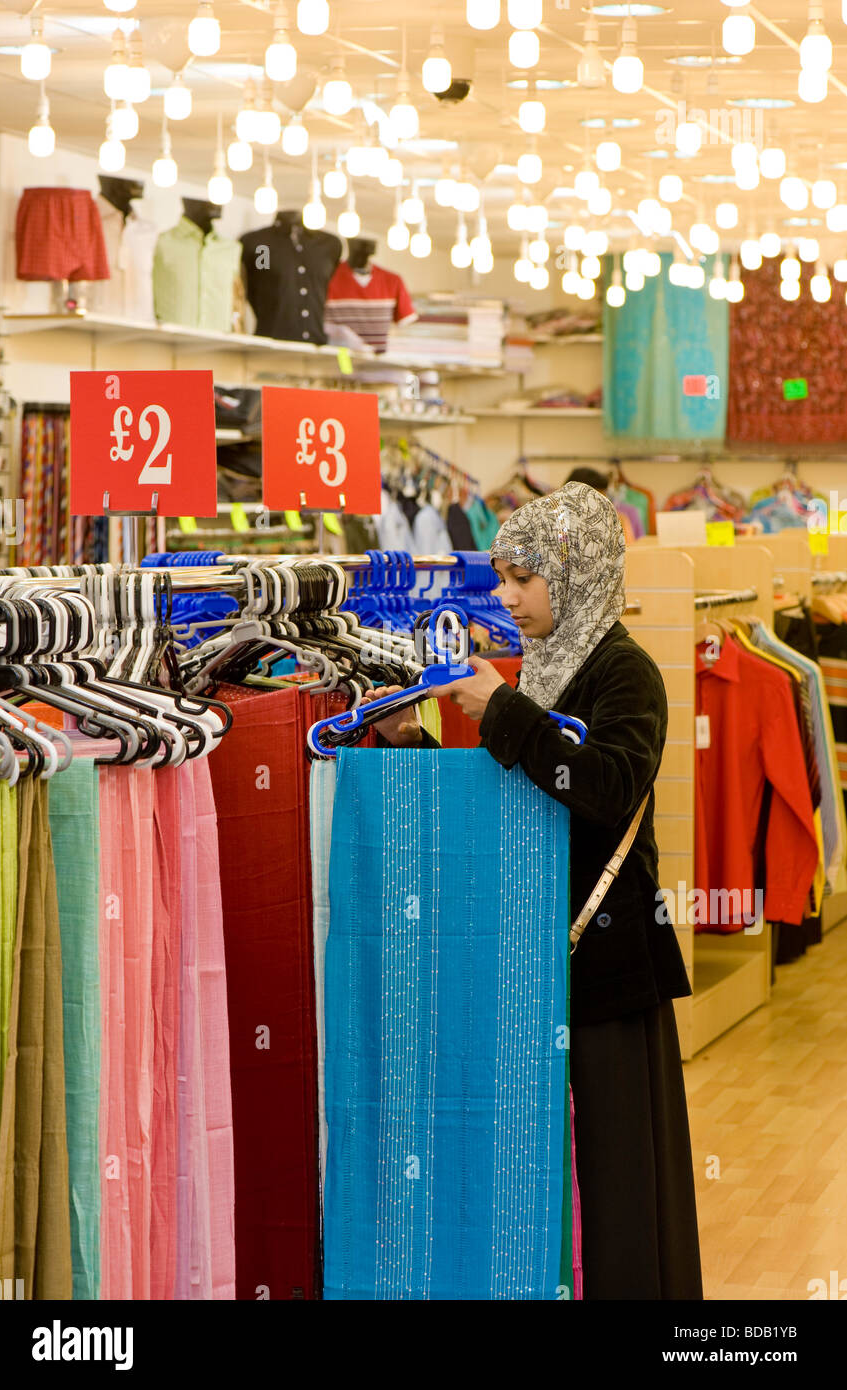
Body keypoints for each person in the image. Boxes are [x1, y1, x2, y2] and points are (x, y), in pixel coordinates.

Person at [365, 481, 703, 1300]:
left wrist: (503, 710)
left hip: (605, 963)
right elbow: (497, 809)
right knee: (542, 1170)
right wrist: (412, 745)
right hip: (530, 959)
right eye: (502, 577)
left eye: (525, 577)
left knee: (617, 1170)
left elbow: (605, 789)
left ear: (576, 571)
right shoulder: (543, 669)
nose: (507, 596)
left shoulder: (625, 673)